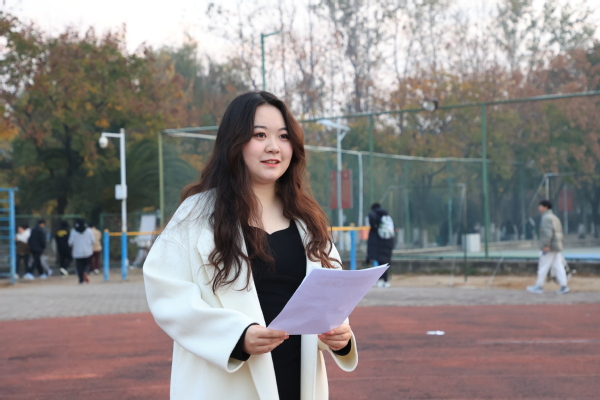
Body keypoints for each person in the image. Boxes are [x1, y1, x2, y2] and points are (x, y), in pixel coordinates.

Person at [144, 91, 358, 399]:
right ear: (235, 142)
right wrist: (238, 337)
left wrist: (340, 336)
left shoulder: (306, 219)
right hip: (227, 384)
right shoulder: (197, 214)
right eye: (260, 135)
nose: (274, 146)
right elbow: (168, 295)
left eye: (283, 136)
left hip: (297, 381)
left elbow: (330, 296)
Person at [527, 200, 570, 295]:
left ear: (545, 207)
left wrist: (546, 245)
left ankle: (539, 286)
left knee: (543, 266)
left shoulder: (546, 218)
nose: (539, 208)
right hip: (556, 246)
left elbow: (547, 233)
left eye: (540, 206)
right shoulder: (554, 217)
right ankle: (564, 286)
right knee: (558, 266)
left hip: (550, 247)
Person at [366, 202, 395, 288]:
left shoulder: (374, 215)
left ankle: (380, 280)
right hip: (388, 242)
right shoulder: (387, 216)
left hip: (379, 243)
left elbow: (372, 224)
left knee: (380, 263)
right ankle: (385, 281)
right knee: (385, 263)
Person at [68, 218, 95, 284]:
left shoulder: (73, 231)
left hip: (77, 252)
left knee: (79, 266)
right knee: (87, 264)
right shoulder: (89, 231)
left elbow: (70, 242)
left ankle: (81, 279)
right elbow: (93, 240)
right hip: (87, 251)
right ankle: (85, 272)